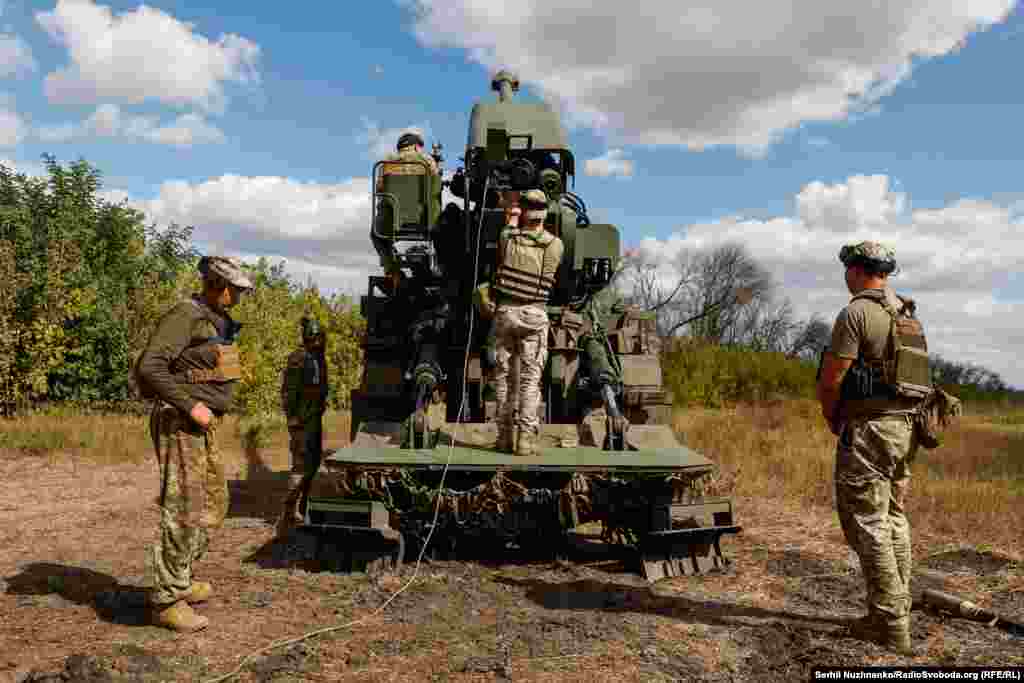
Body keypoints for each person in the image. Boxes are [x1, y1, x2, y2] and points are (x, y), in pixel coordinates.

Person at [816, 240, 927, 655]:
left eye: (847, 269)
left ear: (858, 270)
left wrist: (832, 416)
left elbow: (832, 380)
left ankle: (892, 625)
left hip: (870, 431)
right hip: (906, 429)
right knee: (894, 518)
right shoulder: (907, 314)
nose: (845, 276)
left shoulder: (856, 313)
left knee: (867, 522)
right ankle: (892, 614)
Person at [136, 255, 252, 632]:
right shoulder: (184, 315)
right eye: (235, 291)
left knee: (214, 504)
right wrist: (190, 404)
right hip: (180, 421)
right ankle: (168, 600)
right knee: (183, 508)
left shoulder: (214, 321)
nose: (238, 299)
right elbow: (149, 367)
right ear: (218, 286)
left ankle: (181, 578)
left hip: (203, 424)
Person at [491, 189, 564, 456]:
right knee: (530, 381)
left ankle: (503, 438)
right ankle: (524, 442)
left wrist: (512, 216)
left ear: (524, 212)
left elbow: (507, 232)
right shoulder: (555, 245)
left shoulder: (507, 238)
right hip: (535, 314)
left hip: (506, 312)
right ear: (544, 213)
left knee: (503, 378)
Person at [372, 131, 441, 292]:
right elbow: (436, 185)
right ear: (417, 147)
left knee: (376, 235)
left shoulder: (387, 162)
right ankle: (441, 267)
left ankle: (392, 270)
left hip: (391, 220)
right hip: (425, 219)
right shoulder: (426, 160)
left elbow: (380, 189)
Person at [278, 316, 329, 529]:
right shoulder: (298, 358)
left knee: (313, 464)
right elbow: (288, 392)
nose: (321, 341)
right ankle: (289, 512)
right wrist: (292, 418)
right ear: (311, 337)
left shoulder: (319, 358)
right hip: (301, 421)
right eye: (318, 337)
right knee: (300, 467)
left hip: (314, 418)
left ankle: (303, 508)